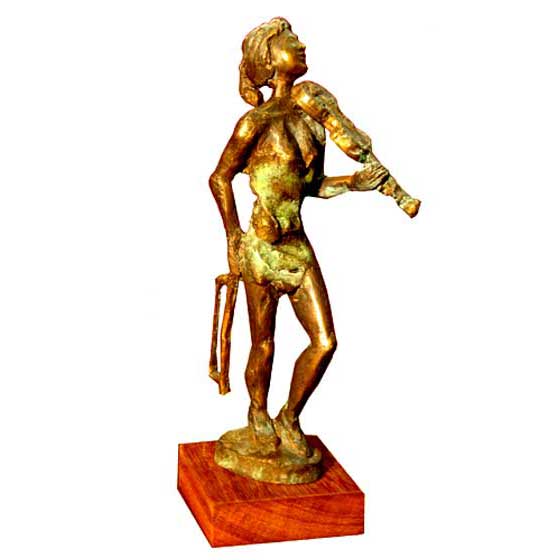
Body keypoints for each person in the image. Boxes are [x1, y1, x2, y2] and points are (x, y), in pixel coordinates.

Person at [209, 17, 394, 465]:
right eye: (291, 41)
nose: (302, 44)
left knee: (324, 340)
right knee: (264, 343)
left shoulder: (311, 122)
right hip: (261, 248)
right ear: (270, 61)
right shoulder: (254, 122)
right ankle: (258, 413)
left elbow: (312, 187)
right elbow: (220, 178)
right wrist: (233, 236)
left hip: (297, 245)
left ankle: (289, 416)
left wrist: (353, 183)